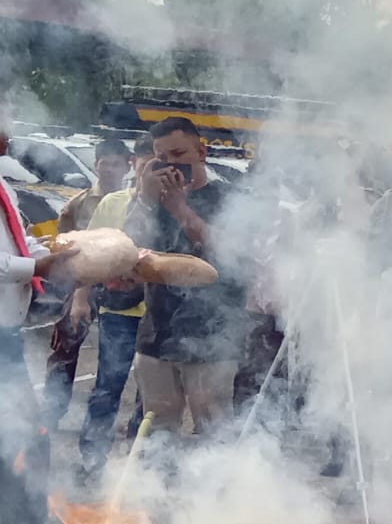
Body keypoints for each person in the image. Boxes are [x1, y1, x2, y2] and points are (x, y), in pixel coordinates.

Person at [124, 117, 248, 446]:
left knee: (214, 429)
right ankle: (155, 493)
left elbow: (232, 253)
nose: (171, 165)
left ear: (201, 152)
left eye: (179, 154)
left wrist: (181, 209)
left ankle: (217, 496)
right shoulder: (151, 200)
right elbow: (126, 249)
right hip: (157, 334)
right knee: (156, 427)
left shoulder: (230, 198)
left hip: (214, 335)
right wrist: (145, 199)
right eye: (161, 158)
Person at [0, 104, 76, 524]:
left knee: (24, 433)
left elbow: (18, 239)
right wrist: (39, 263)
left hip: (8, 335)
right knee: (19, 434)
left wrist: (57, 249)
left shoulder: (3, 183)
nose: (8, 137)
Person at [74, 137, 155, 475]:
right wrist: (80, 298)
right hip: (118, 312)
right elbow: (87, 254)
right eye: (146, 163)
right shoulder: (113, 204)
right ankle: (92, 461)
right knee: (108, 386)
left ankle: (136, 468)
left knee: (149, 397)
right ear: (134, 163)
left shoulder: (175, 207)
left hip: (157, 316)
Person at [40, 137, 132, 426]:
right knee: (65, 347)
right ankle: (52, 413)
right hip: (81, 286)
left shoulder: (134, 202)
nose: (109, 169)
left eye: (116, 163)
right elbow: (62, 248)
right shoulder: (76, 205)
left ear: (128, 166)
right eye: (104, 162)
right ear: (96, 165)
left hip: (121, 288)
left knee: (113, 356)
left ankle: (102, 420)